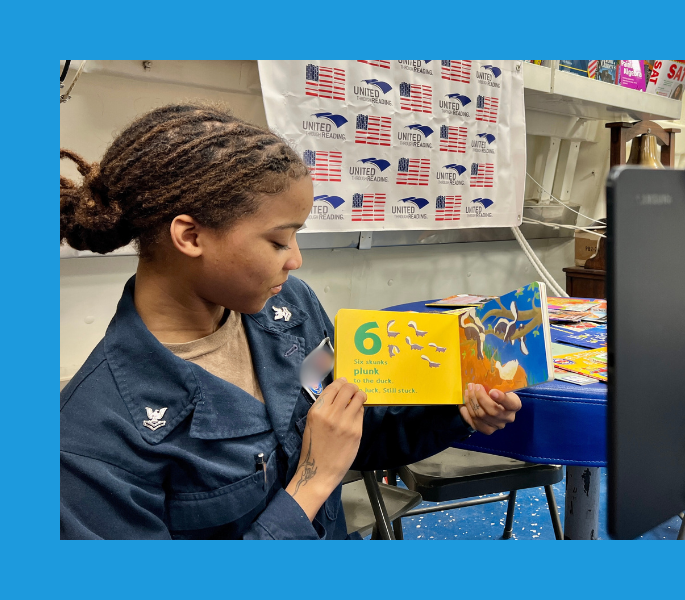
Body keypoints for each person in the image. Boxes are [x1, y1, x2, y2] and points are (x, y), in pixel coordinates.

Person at [60, 103, 522, 539]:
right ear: (191, 236)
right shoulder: (91, 438)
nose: (296, 261)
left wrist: (454, 413)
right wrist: (310, 486)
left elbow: (356, 428)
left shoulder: (289, 310)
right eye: (279, 242)